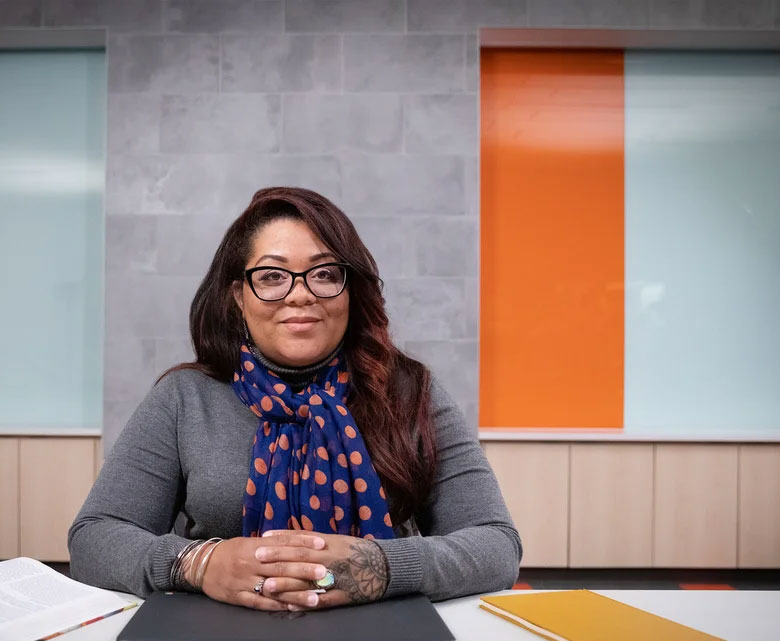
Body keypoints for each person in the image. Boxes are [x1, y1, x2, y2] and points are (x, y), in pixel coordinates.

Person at [69, 187, 521, 612]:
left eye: (324, 274)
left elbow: (497, 546)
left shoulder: (409, 391)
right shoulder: (185, 398)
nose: (301, 294)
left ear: (350, 290)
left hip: (383, 627)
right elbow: (94, 539)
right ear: (238, 297)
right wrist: (197, 563)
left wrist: (382, 567)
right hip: (215, 635)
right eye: (271, 276)